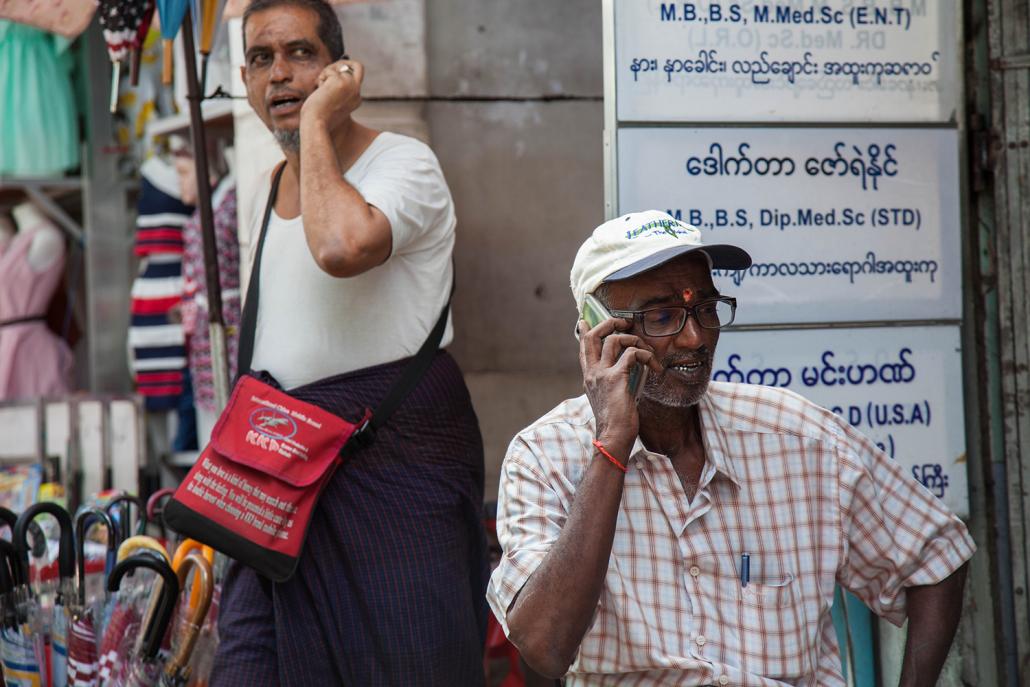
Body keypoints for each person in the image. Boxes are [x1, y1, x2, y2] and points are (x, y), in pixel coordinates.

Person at [487, 210, 975, 686]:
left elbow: (937, 558)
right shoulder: (544, 456)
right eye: (663, 316)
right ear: (596, 333)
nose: (696, 337)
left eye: (704, 309)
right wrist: (612, 444)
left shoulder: (798, 436)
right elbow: (546, 647)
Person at [211, 1, 487, 684]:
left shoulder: (405, 164)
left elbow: (340, 246)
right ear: (243, 81)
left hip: (391, 479)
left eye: (300, 54)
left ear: (338, 69)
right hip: (279, 486)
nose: (279, 74)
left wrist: (313, 125)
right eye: (260, 59)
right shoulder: (269, 189)